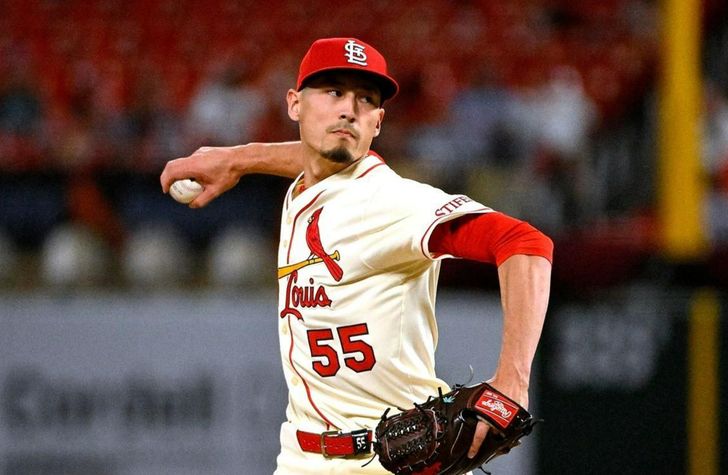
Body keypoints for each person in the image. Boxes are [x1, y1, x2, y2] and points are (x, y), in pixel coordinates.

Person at [160, 37, 553, 474]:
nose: (349, 109)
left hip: (388, 459)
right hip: (300, 456)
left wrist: (514, 378)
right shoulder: (307, 186)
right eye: (333, 92)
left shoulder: (387, 201)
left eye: (366, 99)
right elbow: (315, 158)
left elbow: (524, 243)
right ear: (294, 104)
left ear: (378, 122)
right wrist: (238, 158)